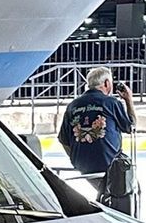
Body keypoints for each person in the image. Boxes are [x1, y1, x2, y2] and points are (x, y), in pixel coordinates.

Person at [57, 65, 135, 208]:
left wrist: (76, 157)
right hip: (109, 164)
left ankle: (102, 202)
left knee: (104, 191)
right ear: (106, 83)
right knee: (129, 189)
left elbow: (63, 139)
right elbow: (131, 127)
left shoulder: (72, 105)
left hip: (82, 164)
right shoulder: (111, 103)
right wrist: (128, 99)